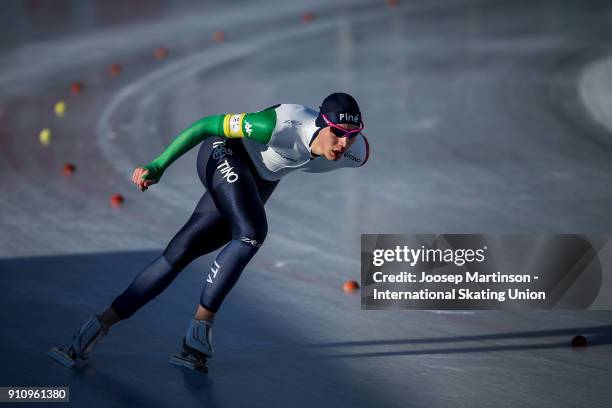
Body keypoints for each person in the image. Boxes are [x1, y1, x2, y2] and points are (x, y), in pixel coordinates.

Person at [48, 92, 370, 372]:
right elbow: (206, 125)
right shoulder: (278, 124)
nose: (344, 143)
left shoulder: (355, 152)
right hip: (224, 153)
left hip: (256, 182)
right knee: (251, 233)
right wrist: (158, 166)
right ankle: (200, 329)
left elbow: (353, 147)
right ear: (321, 123)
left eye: (352, 134)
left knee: (180, 252)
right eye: (338, 133)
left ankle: (97, 326)